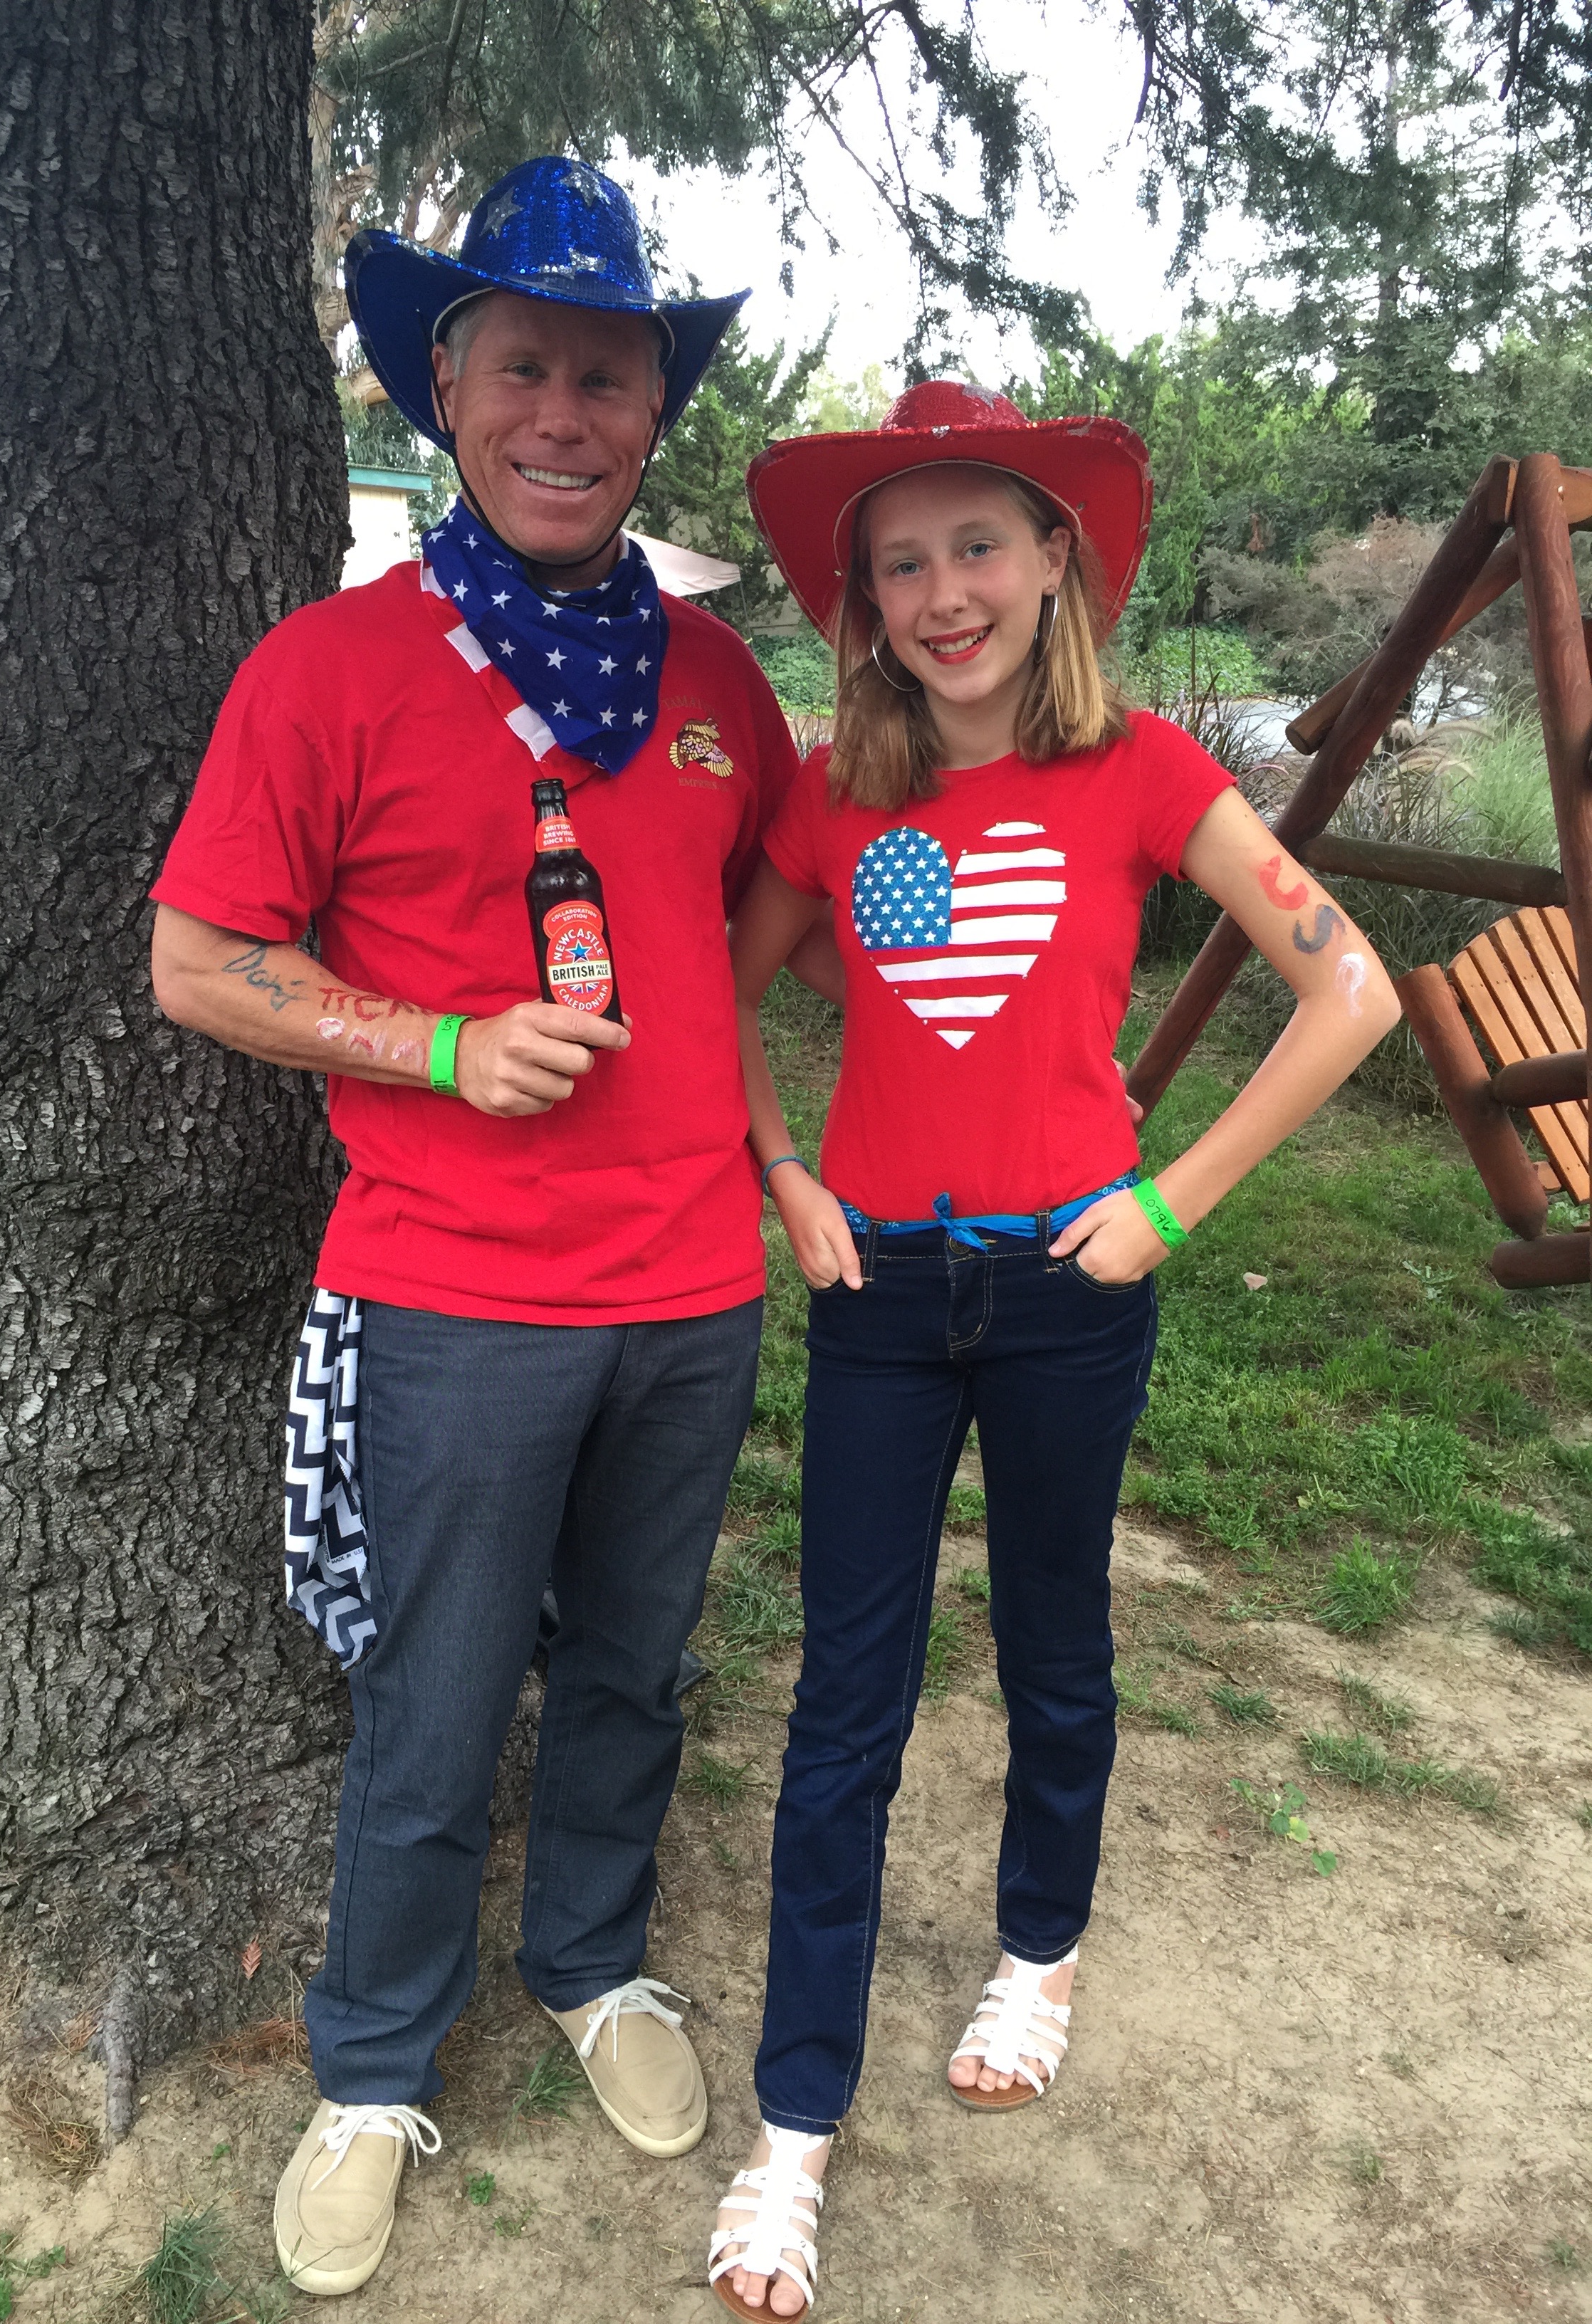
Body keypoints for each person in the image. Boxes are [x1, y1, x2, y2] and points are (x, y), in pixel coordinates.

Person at [149, 156, 819, 2298]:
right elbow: (197, 961)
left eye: (607, 377)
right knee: (433, 1709)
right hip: (454, 1296)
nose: (564, 415)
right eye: (524, 367)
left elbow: (777, 895)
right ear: (447, 388)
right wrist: (436, 1045)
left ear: (652, 409)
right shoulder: (331, 666)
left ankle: (593, 1962)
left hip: (696, 1292)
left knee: (631, 1669)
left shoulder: (712, 675)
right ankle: (369, 2067)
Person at [706, 380, 1402, 2317]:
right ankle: (796, 2126)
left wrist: (1174, 1203)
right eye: (901, 563)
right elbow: (721, 985)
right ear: (862, 601)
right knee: (844, 1704)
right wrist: (784, 1168)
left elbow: (1352, 989)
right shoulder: (835, 794)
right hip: (877, 1301)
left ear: (1052, 565)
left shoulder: (1143, 770)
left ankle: (1039, 1949)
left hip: (1067, 1295)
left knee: (1052, 1645)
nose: (944, 594)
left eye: (977, 548)